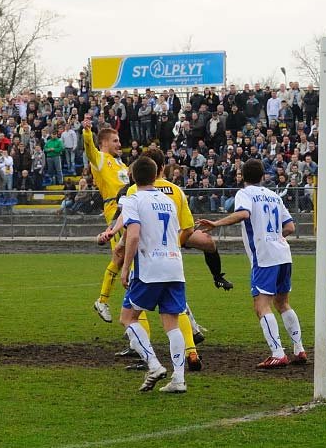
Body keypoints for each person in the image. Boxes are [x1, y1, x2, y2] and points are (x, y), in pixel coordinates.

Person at [98, 148, 234, 371]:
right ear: (161, 169)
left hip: (147, 260)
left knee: (131, 313)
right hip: (172, 259)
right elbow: (188, 227)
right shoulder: (174, 193)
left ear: (136, 172)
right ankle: (189, 356)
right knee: (176, 311)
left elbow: (129, 225)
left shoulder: (134, 190)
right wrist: (174, 245)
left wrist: (114, 236)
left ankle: (149, 359)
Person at [197, 159, 306, 369]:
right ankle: (299, 349)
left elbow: (244, 214)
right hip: (283, 254)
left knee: (261, 306)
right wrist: (274, 236)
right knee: (283, 303)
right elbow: (290, 227)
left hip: (264, 257)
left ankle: (277, 353)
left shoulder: (244, 193)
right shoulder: (274, 195)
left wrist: (216, 223)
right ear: (263, 176)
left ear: (242, 177)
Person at [118, 156, 188, 393]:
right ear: (156, 175)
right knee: (172, 323)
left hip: (150, 268)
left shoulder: (132, 199)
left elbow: (135, 234)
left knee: (128, 318)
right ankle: (179, 379)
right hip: (174, 266)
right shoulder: (167, 201)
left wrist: (126, 267)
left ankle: (154, 364)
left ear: (133, 177)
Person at [82, 117, 130, 324]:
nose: (119, 144)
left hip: (130, 208)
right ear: (104, 143)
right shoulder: (101, 158)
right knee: (127, 258)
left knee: (120, 259)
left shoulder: (121, 163)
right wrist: (86, 132)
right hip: (115, 211)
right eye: (115, 141)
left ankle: (103, 301)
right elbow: (89, 149)